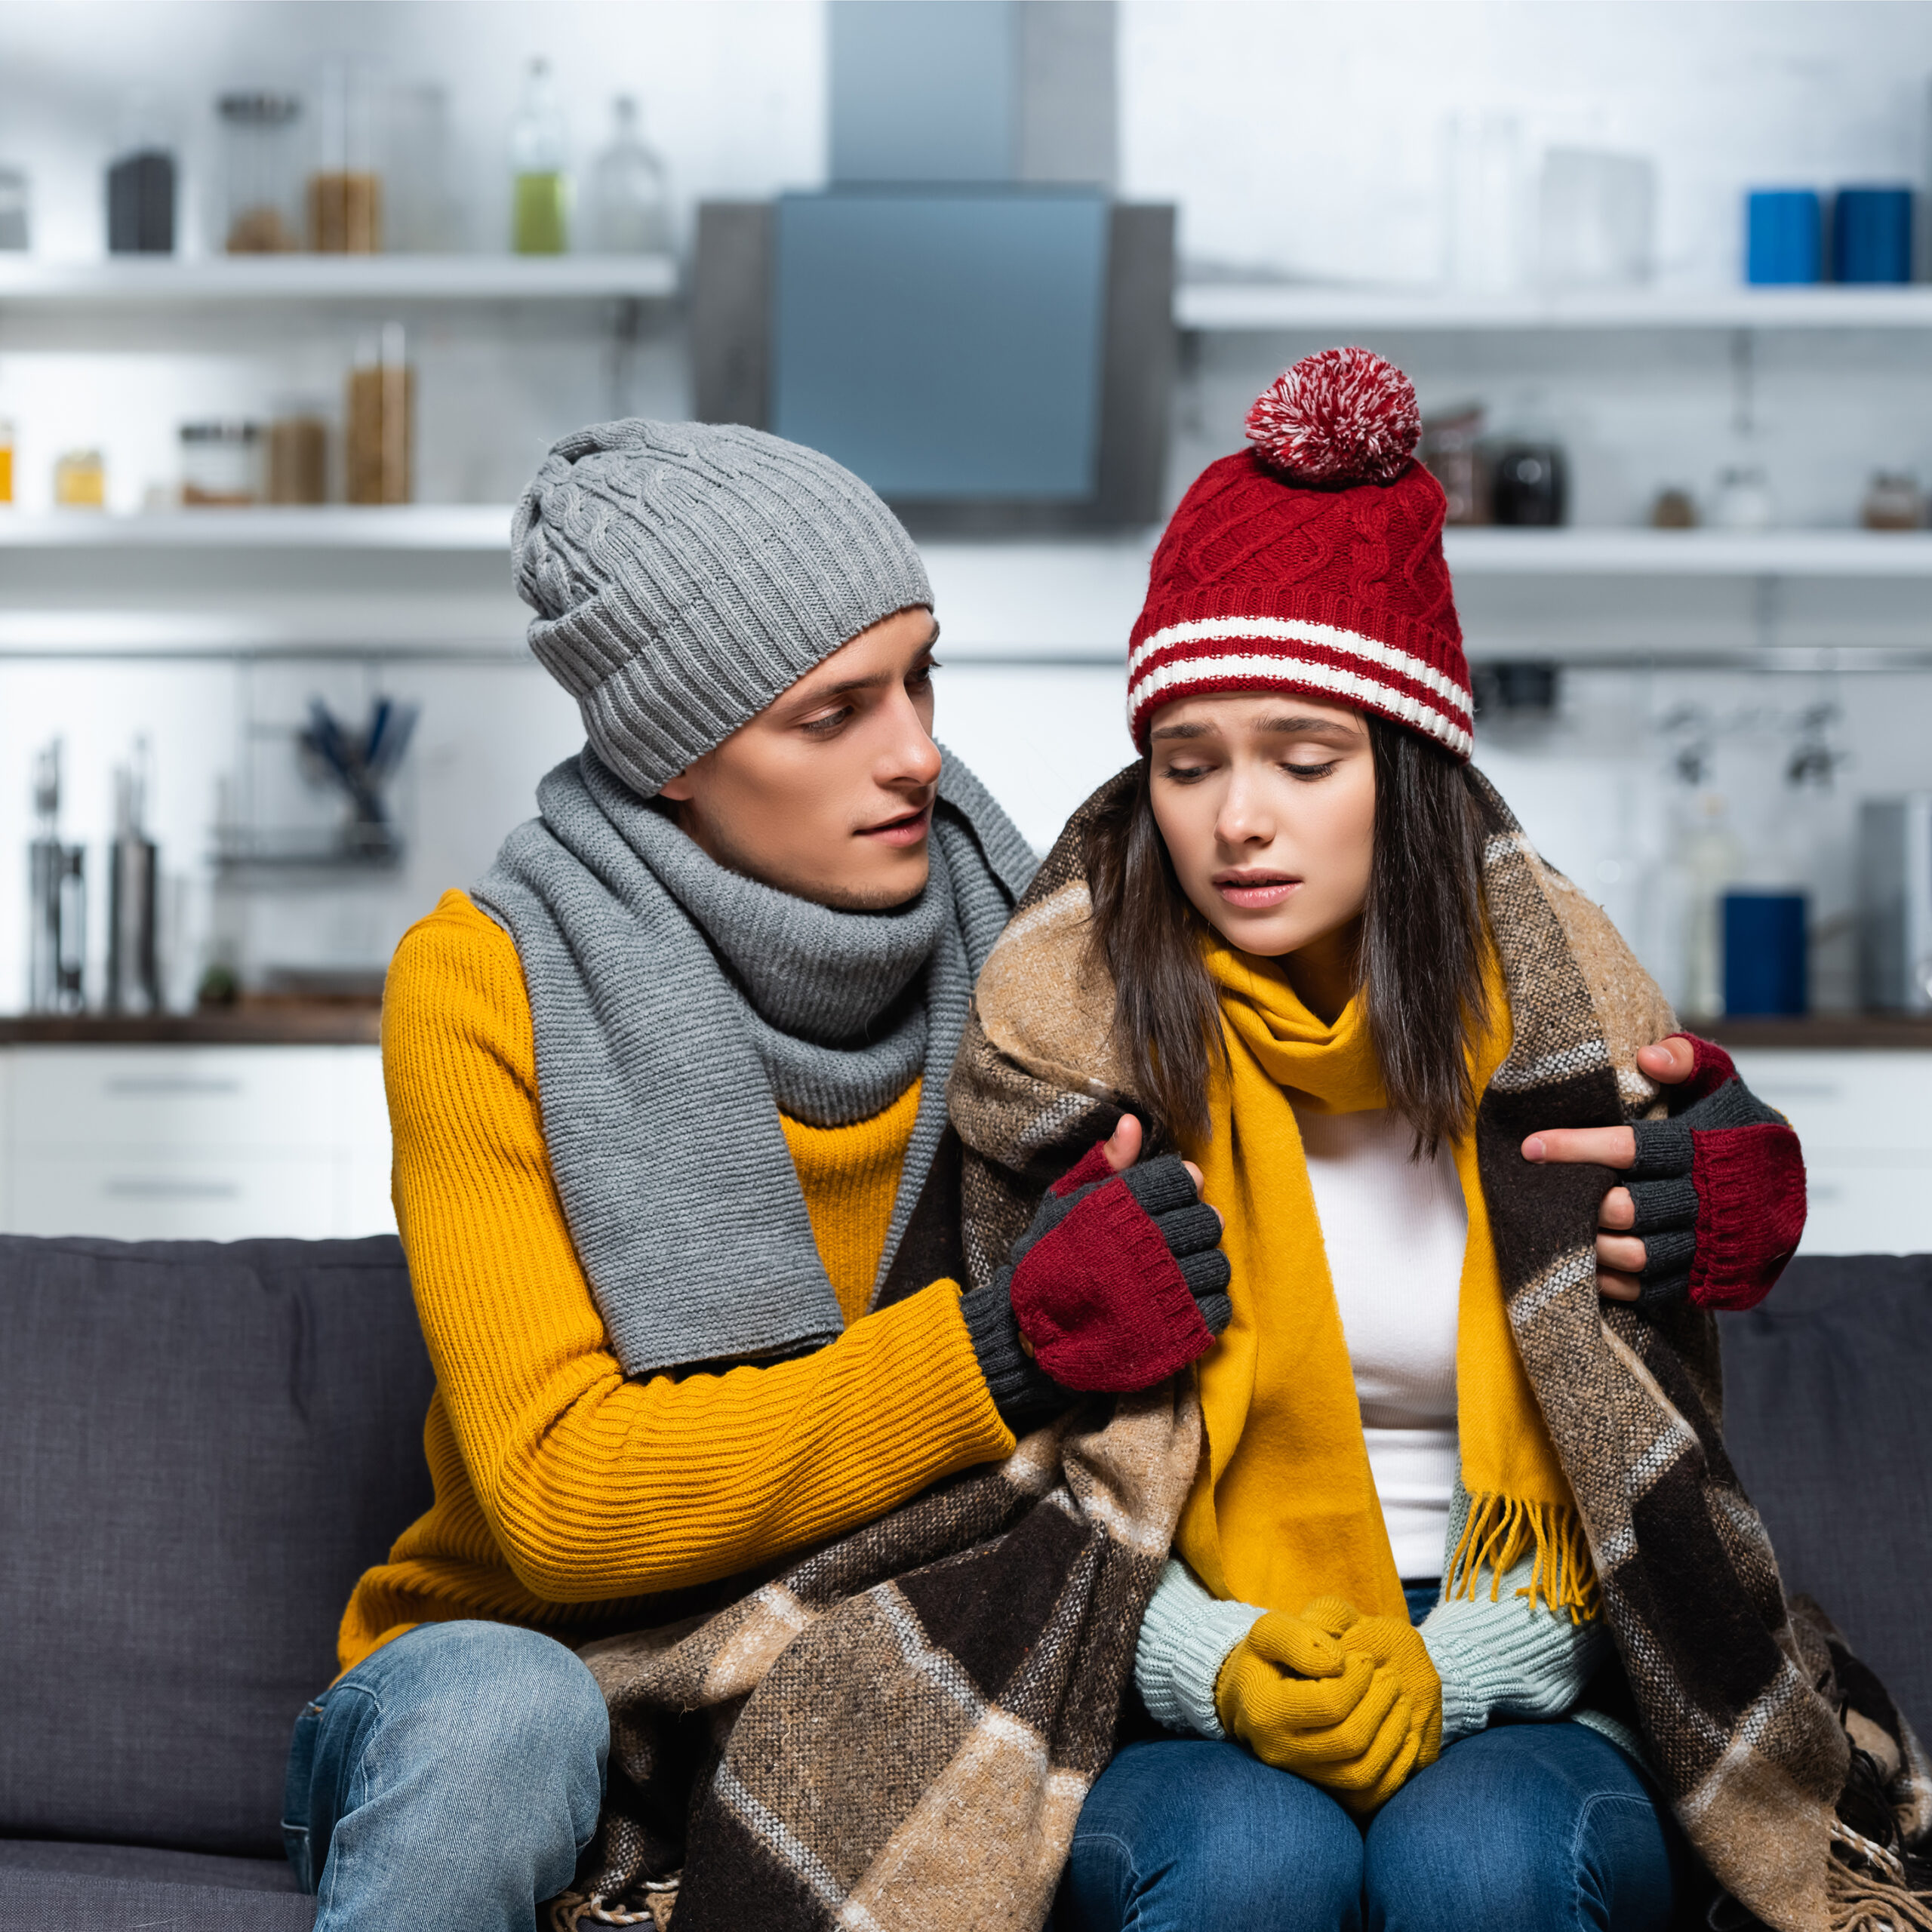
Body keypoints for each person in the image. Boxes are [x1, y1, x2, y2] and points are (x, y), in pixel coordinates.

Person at [281, 420, 1229, 1932]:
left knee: (1173, 1799)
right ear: (672, 762)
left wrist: (1636, 1164)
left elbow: (1353, 1090)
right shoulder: (480, 981)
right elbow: (557, 1497)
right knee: (503, 1716)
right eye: (831, 712)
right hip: (503, 1655)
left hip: (870, 1639)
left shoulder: (1047, 961)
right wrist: (1000, 1349)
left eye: (919, 678)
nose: (914, 750)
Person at [947, 349, 1815, 1932]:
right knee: (1244, 1864)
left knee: (1477, 1863)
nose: (1236, 819)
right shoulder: (1063, 1045)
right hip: (1182, 1640)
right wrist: (1211, 1664)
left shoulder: (1562, 1033)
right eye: (1187, 761)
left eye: (1301, 756)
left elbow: (1629, 1451)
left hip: (1531, 1642)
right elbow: (1004, 1484)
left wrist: (1453, 1663)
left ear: (1400, 776)